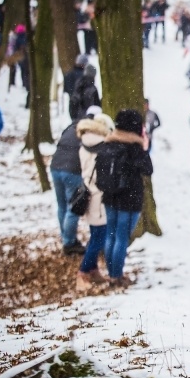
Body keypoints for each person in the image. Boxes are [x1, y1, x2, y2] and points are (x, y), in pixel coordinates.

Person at [100, 109, 153, 287]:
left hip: (109, 196)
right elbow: (148, 170)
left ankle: (111, 272)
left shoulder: (109, 143)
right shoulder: (134, 148)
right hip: (129, 199)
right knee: (122, 237)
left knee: (110, 234)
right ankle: (117, 275)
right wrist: (145, 149)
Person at [75, 111, 115, 291]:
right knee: (99, 238)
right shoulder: (103, 147)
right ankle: (83, 272)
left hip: (88, 194)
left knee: (96, 235)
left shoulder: (84, 143)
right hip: (99, 197)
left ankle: (92, 269)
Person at [50, 113, 88, 255]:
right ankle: (69, 242)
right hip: (72, 170)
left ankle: (66, 236)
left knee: (62, 206)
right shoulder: (88, 130)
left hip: (55, 167)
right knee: (73, 207)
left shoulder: (70, 127)